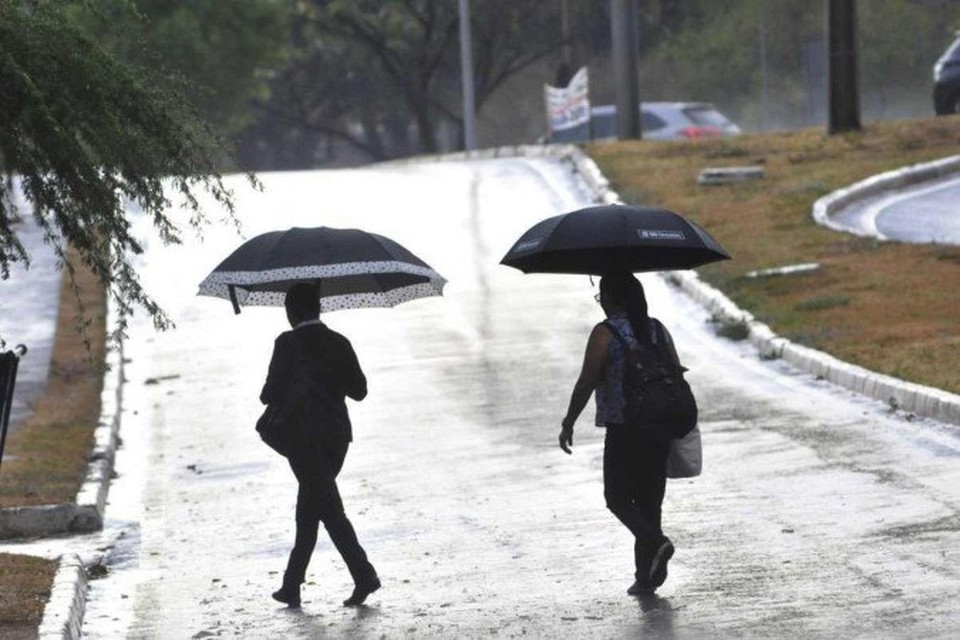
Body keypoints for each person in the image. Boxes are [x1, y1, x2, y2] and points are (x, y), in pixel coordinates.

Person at [559, 272, 682, 595]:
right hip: (660, 426)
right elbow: (676, 373)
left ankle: (656, 543)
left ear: (614, 298)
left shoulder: (606, 332)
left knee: (616, 497)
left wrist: (569, 421)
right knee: (649, 500)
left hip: (625, 426)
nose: (601, 304)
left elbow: (587, 381)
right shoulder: (657, 329)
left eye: (602, 297)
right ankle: (646, 578)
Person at [261, 283, 380, 608]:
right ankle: (291, 585)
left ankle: (364, 575)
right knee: (312, 507)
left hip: (301, 442)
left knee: (328, 510)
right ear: (318, 309)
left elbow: (268, 395)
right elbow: (359, 391)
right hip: (337, 439)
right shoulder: (339, 342)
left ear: (292, 312)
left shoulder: (286, 344)